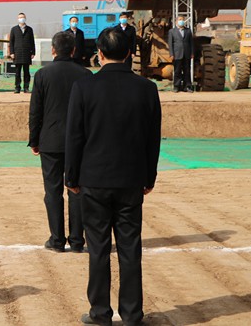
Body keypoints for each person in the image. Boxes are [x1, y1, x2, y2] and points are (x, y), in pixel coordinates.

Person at [65, 27, 161, 326]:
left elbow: (75, 136)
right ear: (129, 53)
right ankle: (132, 314)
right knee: (130, 248)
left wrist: (71, 177)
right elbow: (152, 138)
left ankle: (100, 312)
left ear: (99, 54)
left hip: (94, 179)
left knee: (98, 248)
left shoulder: (84, 87)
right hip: (131, 179)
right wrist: (149, 177)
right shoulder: (146, 88)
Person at [29, 31, 91, 253]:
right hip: (79, 142)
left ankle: (56, 240)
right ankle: (77, 240)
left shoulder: (42, 74)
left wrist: (34, 140)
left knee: (53, 191)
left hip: (51, 141)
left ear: (53, 50)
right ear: (73, 50)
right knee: (77, 190)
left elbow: (35, 111)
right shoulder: (85, 74)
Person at [9, 13, 36, 93]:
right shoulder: (14, 29)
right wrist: (12, 52)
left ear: (25, 18)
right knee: (17, 72)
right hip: (17, 53)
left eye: (23, 17)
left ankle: (26, 87)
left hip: (27, 53)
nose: (21, 19)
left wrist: (33, 52)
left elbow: (32, 42)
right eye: (20, 17)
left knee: (26, 72)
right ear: (18, 19)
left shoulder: (29, 29)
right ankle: (17, 87)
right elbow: (11, 42)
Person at [168, 16, 193, 93]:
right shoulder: (172, 31)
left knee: (187, 71)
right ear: (176, 21)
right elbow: (170, 44)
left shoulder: (188, 31)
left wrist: (192, 53)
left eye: (182, 20)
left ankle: (187, 86)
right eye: (180, 19)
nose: (181, 21)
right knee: (177, 71)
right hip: (177, 54)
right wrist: (171, 54)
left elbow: (191, 43)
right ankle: (176, 86)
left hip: (186, 54)